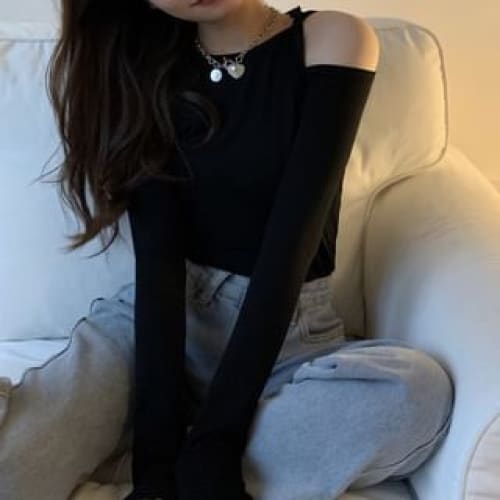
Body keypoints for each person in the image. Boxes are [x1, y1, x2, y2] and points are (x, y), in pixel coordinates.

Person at [0, 1, 454, 499]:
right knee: (14, 465)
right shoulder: (141, 65)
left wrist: (218, 439)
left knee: (415, 392)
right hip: (154, 329)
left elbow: (288, 249)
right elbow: (159, 263)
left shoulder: (333, 39)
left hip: (285, 337)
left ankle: (193, 463)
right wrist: (155, 463)